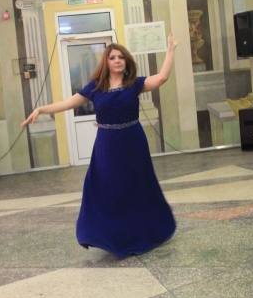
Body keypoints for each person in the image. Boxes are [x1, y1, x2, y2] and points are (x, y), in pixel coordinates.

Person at [21, 33, 179, 258]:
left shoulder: (134, 84)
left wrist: (170, 51)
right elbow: (68, 103)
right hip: (107, 144)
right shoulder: (96, 87)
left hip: (133, 141)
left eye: (121, 57)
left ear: (126, 62)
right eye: (112, 57)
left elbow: (162, 78)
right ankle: (109, 235)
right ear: (106, 62)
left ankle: (142, 232)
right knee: (107, 187)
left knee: (136, 186)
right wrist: (41, 109)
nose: (117, 60)